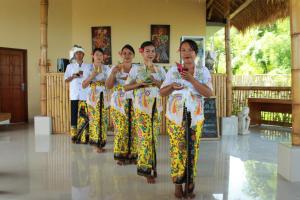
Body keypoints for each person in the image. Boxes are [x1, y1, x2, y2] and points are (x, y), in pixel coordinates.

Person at [160, 39, 213, 198]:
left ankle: (190, 184)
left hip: (195, 116)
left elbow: (208, 93)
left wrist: (191, 79)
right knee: (177, 149)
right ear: (180, 53)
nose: (187, 53)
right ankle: (177, 184)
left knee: (192, 150)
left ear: (195, 53)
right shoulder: (172, 71)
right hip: (176, 116)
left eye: (190, 50)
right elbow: (162, 92)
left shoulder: (203, 71)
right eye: (183, 50)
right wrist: (171, 87)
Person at [124, 41, 166, 184]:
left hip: (156, 107)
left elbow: (166, 89)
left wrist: (156, 81)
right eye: (147, 51)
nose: (150, 54)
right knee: (144, 138)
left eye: (153, 51)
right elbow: (126, 87)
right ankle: (145, 170)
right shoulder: (135, 69)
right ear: (142, 52)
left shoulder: (160, 70)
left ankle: (153, 167)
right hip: (141, 108)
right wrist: (139, 84)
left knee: (154, 138)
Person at [106, 44, 138, 165]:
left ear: (134, 55)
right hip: (118, 104)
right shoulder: (115, 68)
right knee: (121, 129)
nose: (127, 55)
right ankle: (121, 155)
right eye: (124, 53)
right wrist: (113, 74)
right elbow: (108, 86)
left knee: (134, 129)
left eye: (130, 53)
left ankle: (134, 155)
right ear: (121, 54)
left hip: (135, 103)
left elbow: (141, 83)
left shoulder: (138, 69)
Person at [82, 48, 110, 153]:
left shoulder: (106, 68)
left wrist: (106, 80)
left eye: (101, 55)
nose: (99, 57)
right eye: (97, 54)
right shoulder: (88, 68)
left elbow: (110, 83)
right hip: (93, 96)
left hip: (105, 96)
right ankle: (95, 144)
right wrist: (92, 76)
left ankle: (101, 144)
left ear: (103, 57)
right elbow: (84, 85)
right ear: (93, 56)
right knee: (94, 120)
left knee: (104, 120)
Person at [64, 45, 91, 144]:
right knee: (74, 115)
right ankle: (74, 136)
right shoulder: (69, 66)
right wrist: (74, 76)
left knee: (84, 115)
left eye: (80, 53)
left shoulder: (88, 66)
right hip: (75, 94)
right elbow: (66, 80)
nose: (79, 55)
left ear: (83, 55)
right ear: (74, 55)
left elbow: (91, 78)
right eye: (77, 53)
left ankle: (85, 135)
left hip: (85, 94)